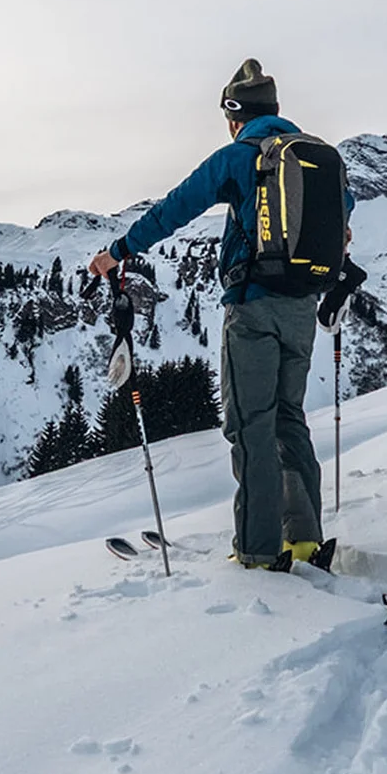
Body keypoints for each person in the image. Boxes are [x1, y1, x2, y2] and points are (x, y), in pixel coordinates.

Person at [88, 59, 351, 569]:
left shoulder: (238, 157)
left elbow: (174, 209)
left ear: (235, 116)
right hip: (303, 307)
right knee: (289, 419)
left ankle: (256, 550)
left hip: (253, 308)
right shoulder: (314, 158)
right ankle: (303, 539)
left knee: (250, 424)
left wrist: (118, 251)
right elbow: (348, 206)